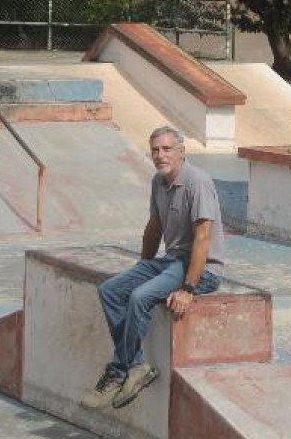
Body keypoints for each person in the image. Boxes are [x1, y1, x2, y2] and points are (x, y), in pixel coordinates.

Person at [79, 125, 225, 411]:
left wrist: (188, 289)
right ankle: (136, 365)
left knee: (140, 297)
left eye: (167, 149)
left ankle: (120, 371)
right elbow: (153, 228)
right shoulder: (158, 182)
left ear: (182, 151)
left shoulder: (198, 182)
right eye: (155, 150)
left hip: (201, 269)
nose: (160, 155)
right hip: (171, 261)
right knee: (111, 290)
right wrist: (142, 267)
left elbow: (203, 238)